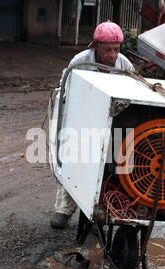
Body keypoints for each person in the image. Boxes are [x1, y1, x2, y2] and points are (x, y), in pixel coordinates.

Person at [50, 21, 135, 229]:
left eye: (116, 50)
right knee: (73, 163)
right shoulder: (80, 63)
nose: (112, 55)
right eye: (108, 50)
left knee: (110, 167)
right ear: (95, 46)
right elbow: (65, 93)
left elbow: (134, 94)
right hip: (81, 120)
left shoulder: (124, 66)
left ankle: (102, 210)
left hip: (112, 124)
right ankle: (64, 209)